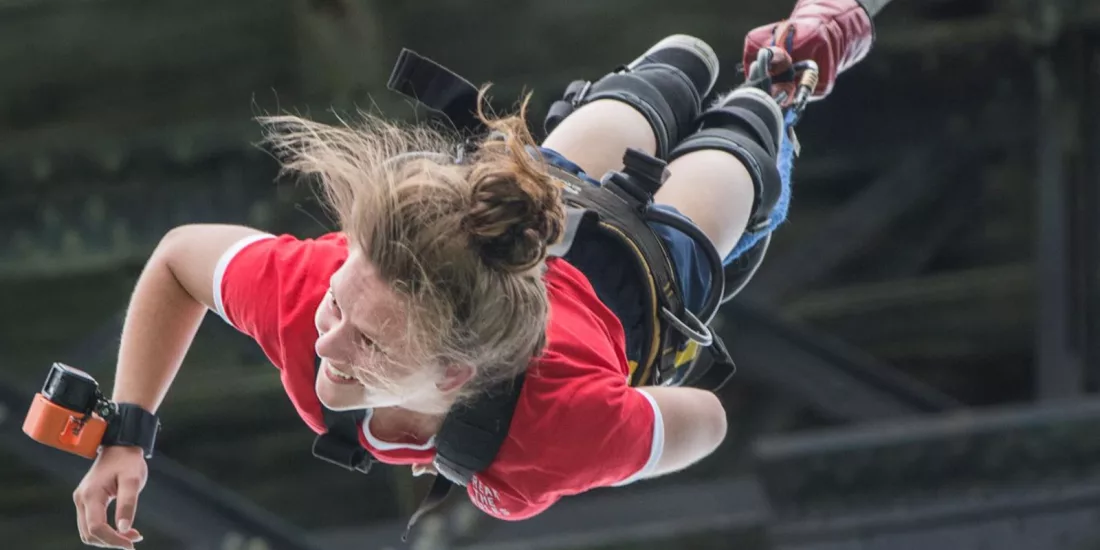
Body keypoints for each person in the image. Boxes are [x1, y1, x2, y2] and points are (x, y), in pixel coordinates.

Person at [69, 1, 879, 546]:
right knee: (746, 126)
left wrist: (130, 429)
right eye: (342, 306)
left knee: (656, 102)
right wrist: (126, 438)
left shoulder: (535, 439)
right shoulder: (324, 304)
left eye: (367, 338)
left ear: (454, 370)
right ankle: (766, 87)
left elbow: (705, 419)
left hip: (551, 208)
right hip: (645, 267)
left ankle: (694, 80)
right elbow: (178, 260)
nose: (329, 340)